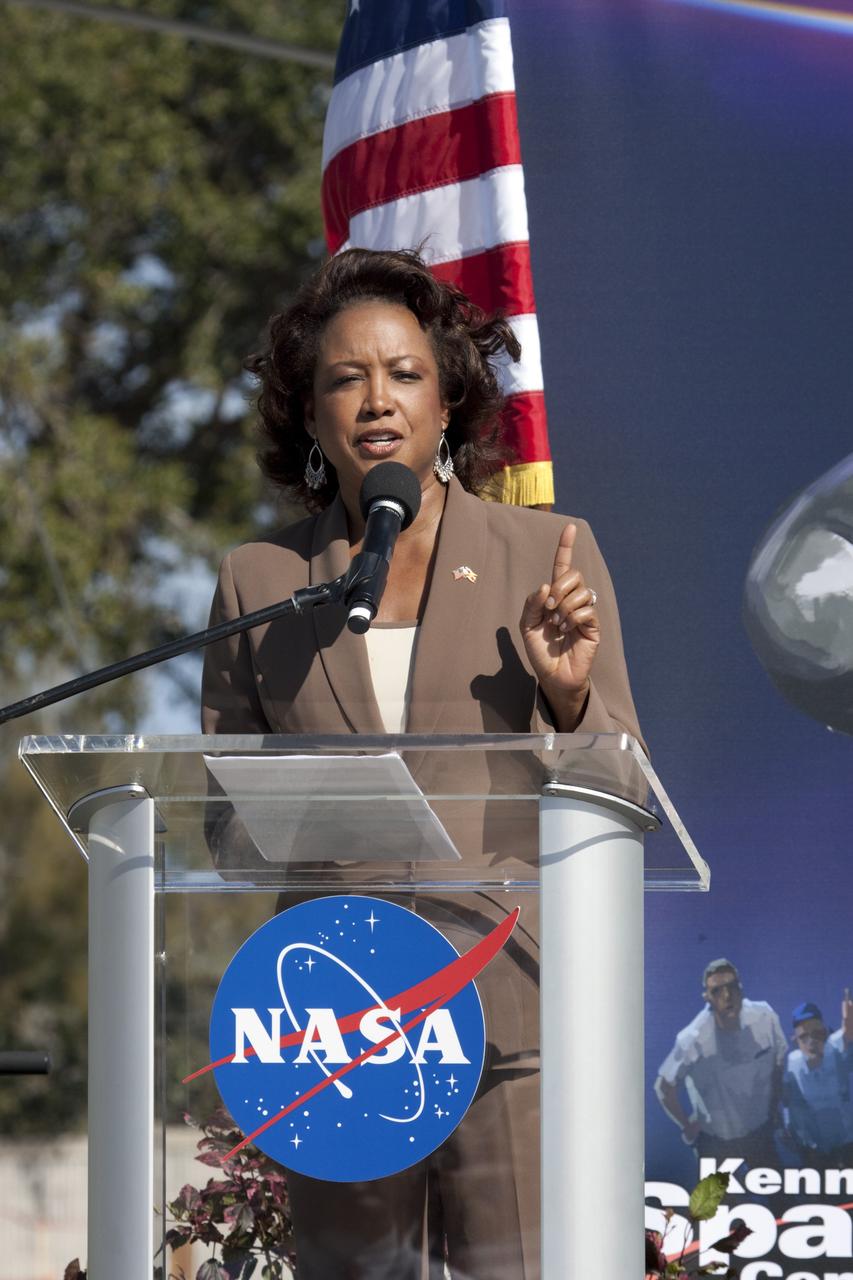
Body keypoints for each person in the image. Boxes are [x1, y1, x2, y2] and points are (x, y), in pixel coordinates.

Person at [201, 246, 643, 1280]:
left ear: (448, 402)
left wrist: (568, 694)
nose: (375, 399)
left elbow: (621, 788)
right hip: (337, 1018)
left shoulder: (549, 555)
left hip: (507, 1009)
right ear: (308, 417)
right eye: (344, 378)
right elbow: (219, 824)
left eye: (403, 374)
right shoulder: (259, 580)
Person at [655, 958, 787, 1170]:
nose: (727, 996)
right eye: (717, 991)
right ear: (707, 997)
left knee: (782, 1200)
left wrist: (773, 1109)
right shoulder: (693, 1038)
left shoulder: (765, 1017)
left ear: (740, 989)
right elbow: (664, 1087)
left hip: (759, 1133)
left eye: (732, 987)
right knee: (713, 1203)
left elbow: (779, 1064)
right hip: (716, 1142)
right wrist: (687, 1126)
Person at [782, 996, 853, 1169]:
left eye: (817, 1034)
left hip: (847, 1142)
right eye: (804, 1037)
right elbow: (788, 1103)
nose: (811, 1041)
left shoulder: (836, 1047)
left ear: (826, 1032)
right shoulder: (793, 1064)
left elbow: (848, 1029)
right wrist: (788, 1130)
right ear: (795, 1040)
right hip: (815, 1148)